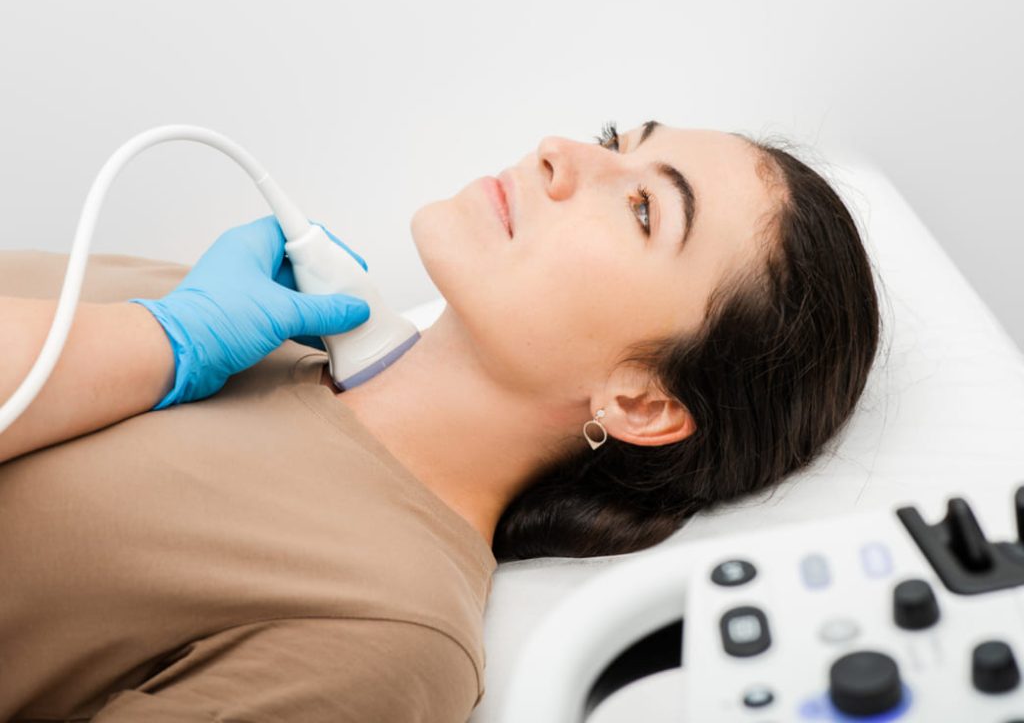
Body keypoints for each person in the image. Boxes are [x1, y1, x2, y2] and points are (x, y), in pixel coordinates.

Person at [0, 120, 880, 721]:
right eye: (614, 139)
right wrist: (159, 335)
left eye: (643, 208)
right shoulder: (235, 312)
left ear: (643, 402)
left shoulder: (383, 631)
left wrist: (156, 344)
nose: (560, 152)